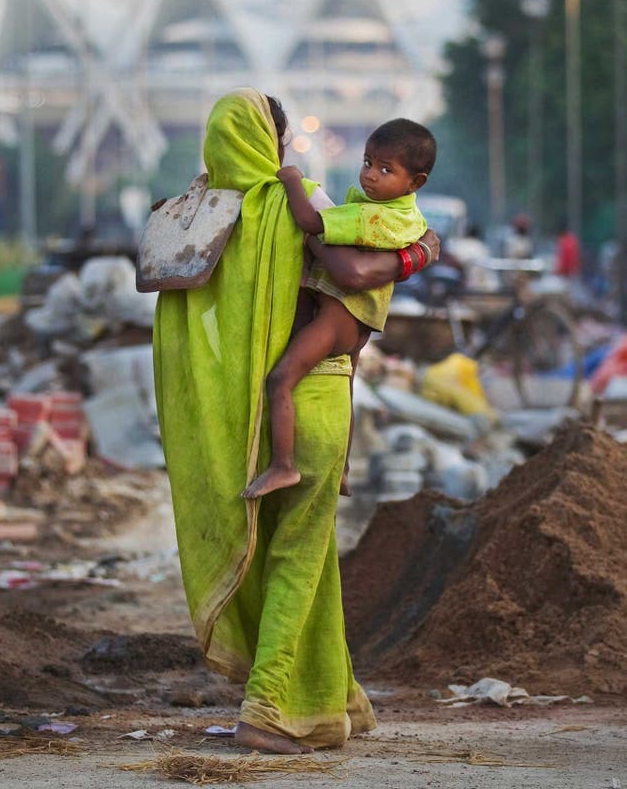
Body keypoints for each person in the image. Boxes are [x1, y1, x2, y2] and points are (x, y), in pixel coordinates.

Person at [152, 88, 439, 754]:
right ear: (271, 142)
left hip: (239, 418)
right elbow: (356, 268)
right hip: (313, 400)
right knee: (299, 555)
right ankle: (270, 706)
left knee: (305, 557)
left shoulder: (194, 218)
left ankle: (335, 698)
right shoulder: (293, 201)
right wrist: (422, 248)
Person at [242, 118, 436, 500]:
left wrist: (292, 180)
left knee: (280, 379)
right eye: (367, 163)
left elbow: (309, 220)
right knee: (346, 390)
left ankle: (283, 466)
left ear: (415, 182)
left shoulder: (371, 216)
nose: (370, 176)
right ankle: (343, 469)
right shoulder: (411, 218)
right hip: (360, 324)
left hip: (336, 317)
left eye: (385, 170)